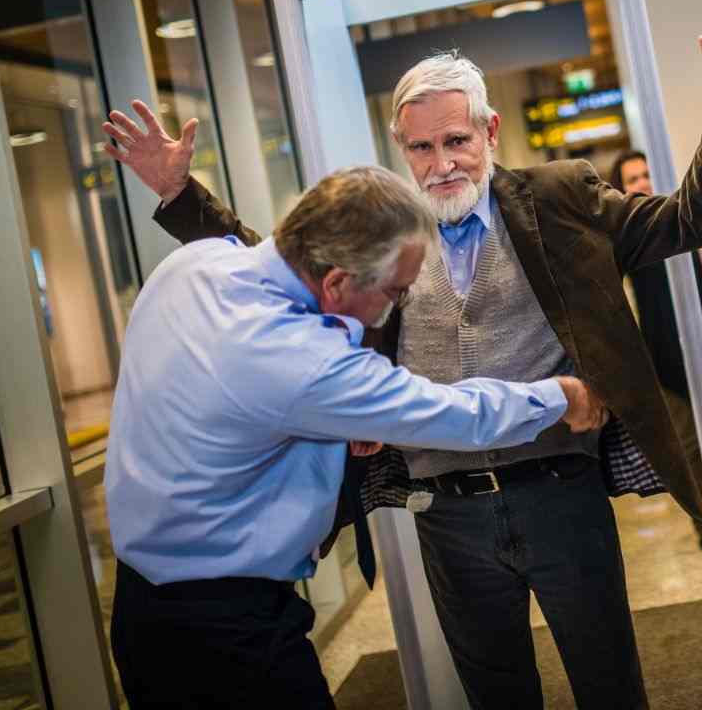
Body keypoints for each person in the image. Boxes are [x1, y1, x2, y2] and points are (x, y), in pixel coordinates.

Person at [115, 4, 702, 709]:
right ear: (401, 148)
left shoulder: (557, 198)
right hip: (448, 513)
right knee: (495, 692)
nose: (441, 166)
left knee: (608, 682)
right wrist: (179, 195)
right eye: (421, 149)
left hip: (561, 492)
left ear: (491, 131)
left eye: (457, 141)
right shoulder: (390, 230)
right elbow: (290, 262)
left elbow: (688, 219)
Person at [101, 161, 608, 709]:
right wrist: (562, 396)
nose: (395, 308)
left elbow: (228, 408)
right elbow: (452, 411)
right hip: (228, 632)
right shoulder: (302, 361)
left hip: (141, 611)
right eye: (397, 291)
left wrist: (332, 430)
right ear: (337, 282)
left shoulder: (191, 265)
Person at [611, 150, 702, 558]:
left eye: (645, 174)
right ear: (620, 188)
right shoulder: (625, 238)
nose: (640, 183)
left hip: (699, 352)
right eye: (632, 178)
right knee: (690, 445)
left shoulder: (677, 222)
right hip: (661, 363)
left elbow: (700, 283)